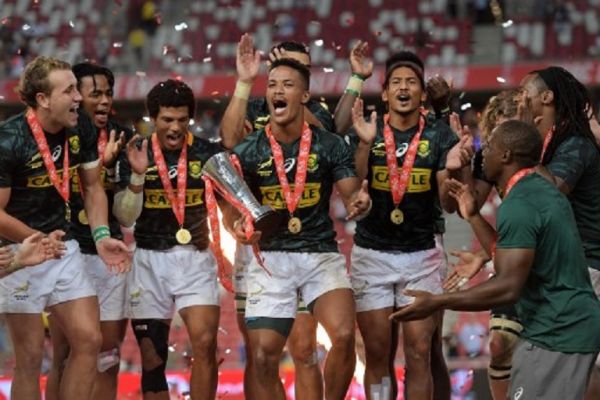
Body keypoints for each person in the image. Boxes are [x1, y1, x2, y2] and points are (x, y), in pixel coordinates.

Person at [392, 119, 600, 400]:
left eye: (489, 146)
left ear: (506, 156)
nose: (482, 152)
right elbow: (506, 260)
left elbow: (507, 286)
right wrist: (474, 216)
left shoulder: (521, 203)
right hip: (555, 327)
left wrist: (438, 300)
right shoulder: (535, 190)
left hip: (560, 332)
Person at [220, 34, 372, 400]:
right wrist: (234, 223)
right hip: (267, 252)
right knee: (260, 355)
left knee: (327, 343)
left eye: (291, 81)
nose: (279, 87)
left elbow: (347, 180)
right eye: (273, 81)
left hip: (319, 251)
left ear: (305, 90)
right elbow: (226, 165)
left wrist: (358, 200)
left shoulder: (321, 127)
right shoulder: (253, 118)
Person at [0, 56, 129, 400]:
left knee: (89, 341)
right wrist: (34, 241)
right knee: (28, 359)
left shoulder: (81, 127)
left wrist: (102, 237)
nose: (78, 97)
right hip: (18, 252)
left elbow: (92, 187)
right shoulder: (8, 140)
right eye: (69, 90)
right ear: (42, 99)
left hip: (64, 247)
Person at [349, 50, 465, 400]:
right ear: (384, 93)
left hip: (422, 256)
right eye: (396, 82)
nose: (404, 88)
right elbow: (353, 188)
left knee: (418, 354)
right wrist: (365, 146)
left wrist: (456, 169)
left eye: (411, 82)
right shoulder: (365, 130)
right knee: (378, 355)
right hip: (372, 253)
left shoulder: (440, 136)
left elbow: (448, 204)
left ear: (422, 94)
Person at [113, 79, 223, 400]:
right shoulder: (135, 152)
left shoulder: (209, 153)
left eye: (181, 120)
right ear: (152, 119)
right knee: (152, 358)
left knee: (204, 344)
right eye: (166, 120)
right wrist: (136, 177)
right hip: (148, 260)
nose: (175, 128)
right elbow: (125, 217)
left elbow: (231, 204)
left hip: (196, 257)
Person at [45, 62, 132, 400]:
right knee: (66, 354)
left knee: (107, 357)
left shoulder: (123, 138)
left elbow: (125, 214)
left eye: (108, 93)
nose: (104, 101)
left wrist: (117, 173)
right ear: (77, 96)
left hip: (107, 250)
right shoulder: (56, 137)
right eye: (94, 94)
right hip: (69, 250)